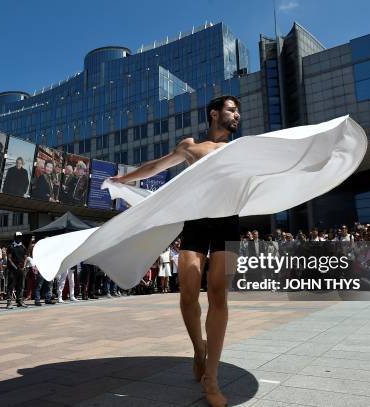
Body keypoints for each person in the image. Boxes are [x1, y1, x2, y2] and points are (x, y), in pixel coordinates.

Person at [109, 95, 241, 406]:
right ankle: (199, 348)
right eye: (232, 110)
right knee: (188, 293)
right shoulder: (191, 146)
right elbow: (157, 166)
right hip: (195, 222)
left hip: (228, 223)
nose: (237, 115)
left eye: (237, 112)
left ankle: (212, 378)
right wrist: (124, 179)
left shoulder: (240, 149)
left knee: (219, 295)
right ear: (214, 114)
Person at [6, 232, 28, 308]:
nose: (19, 238)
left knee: (20, 285)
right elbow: (9, 258)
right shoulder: (11, 246)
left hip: (21, 269)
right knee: (11, 286)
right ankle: (9, 302)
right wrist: (15, 267)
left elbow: (25, 257)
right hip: (13, 269)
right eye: (18, 237)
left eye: (20, 237)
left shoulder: (23, 246)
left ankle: (19, 301)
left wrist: (24, 266)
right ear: (15, 237)